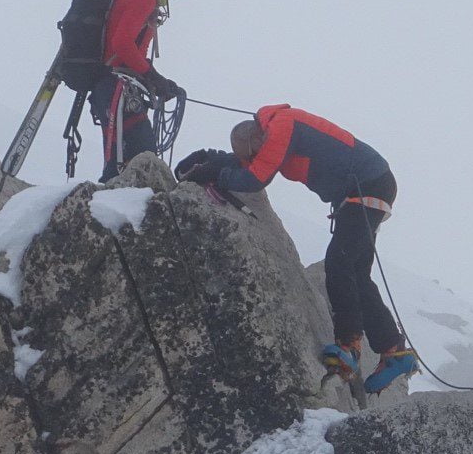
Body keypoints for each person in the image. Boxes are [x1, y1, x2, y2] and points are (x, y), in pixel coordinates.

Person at [179, 104, 418, 393]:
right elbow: (252, 164)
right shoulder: (273, 131)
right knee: (355, 270)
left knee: (339, 264)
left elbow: (255, 177)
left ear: (256, 141)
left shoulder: (282, 126)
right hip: (369, 184)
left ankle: (349, 346)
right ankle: (393, 350)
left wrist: (219, 175)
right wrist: (216, 163)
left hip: (366, 186)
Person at [91, 0, 203, 180]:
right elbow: (121, 44)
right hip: (115, 88)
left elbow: (131, 49)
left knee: (137, 159)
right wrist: (153, 76)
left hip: (119, 89)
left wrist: (156, 80)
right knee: (127, 163)